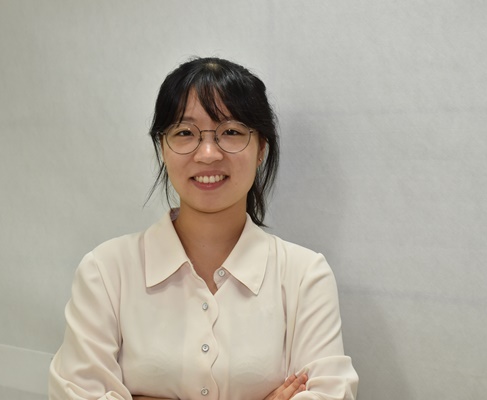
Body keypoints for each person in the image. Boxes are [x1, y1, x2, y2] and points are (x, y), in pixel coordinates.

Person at [49, 57, 358, 400]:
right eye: (185, 133)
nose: (208, 153)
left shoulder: (304, 276)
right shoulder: (106, 272)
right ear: (162, 147)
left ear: (261, 149)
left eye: (231, 132)